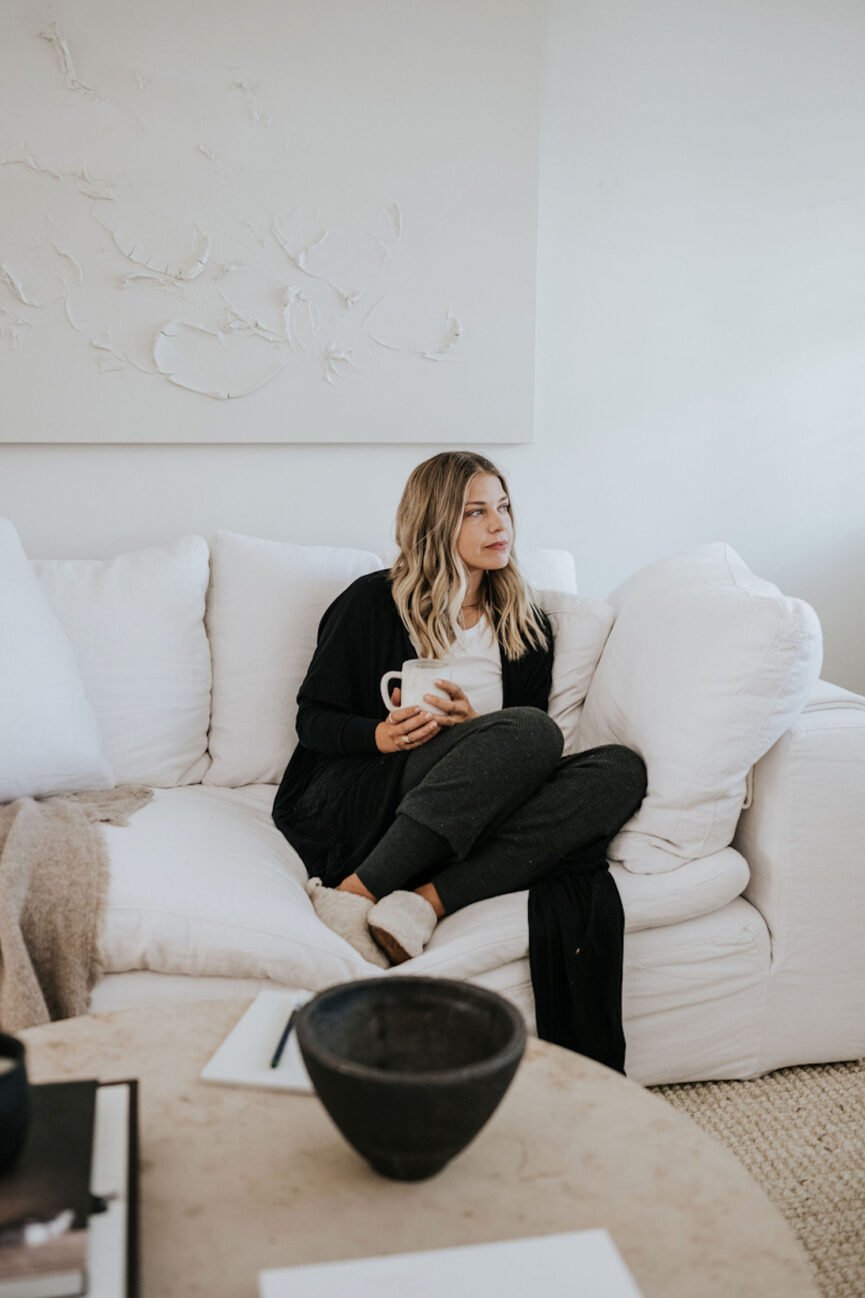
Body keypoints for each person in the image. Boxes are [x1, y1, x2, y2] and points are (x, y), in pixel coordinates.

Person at [273, 451, 647, 1069]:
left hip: (477, 792)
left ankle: (423, 901)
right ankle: (352, 893)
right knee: (530, 733)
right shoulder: (372, 602)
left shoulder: (524, 623)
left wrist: (480, 732)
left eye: (503, 507)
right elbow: (312, 718)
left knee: (619, 769)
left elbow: (530, 746)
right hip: (377, 784)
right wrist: (381, 736)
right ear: (435, 523)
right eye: (476, 512)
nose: (499, 525)